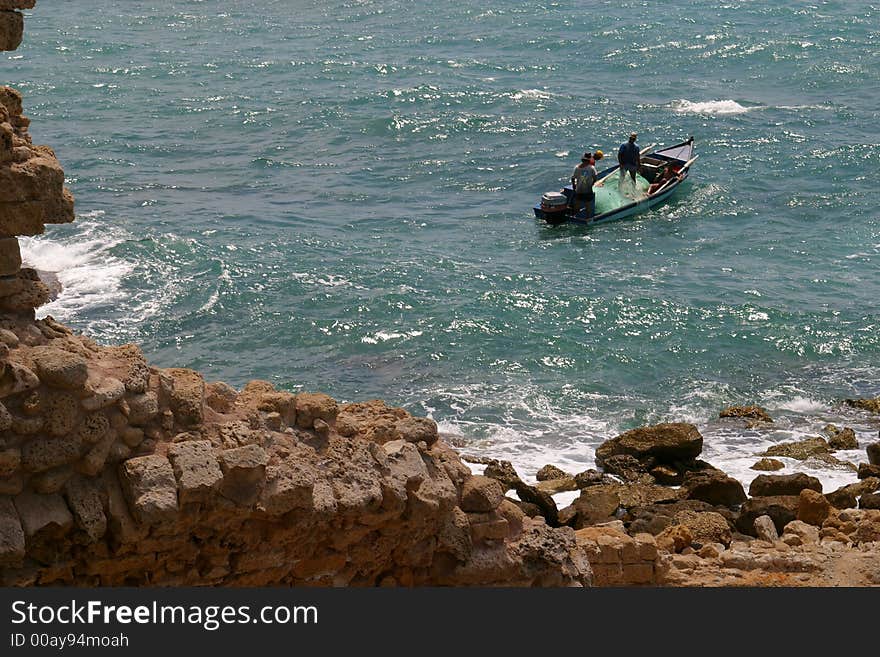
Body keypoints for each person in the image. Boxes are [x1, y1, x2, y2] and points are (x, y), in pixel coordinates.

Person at [570, 150, 604, 217]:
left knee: (577, 204)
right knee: (588, 205)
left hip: (579, 190)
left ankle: (575, 216)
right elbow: (595, 177)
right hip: (588, 190)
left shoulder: (577, 168)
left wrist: (574, 185)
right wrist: (592, 184)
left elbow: (573, 178)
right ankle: (588, 217)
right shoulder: (591, 168)